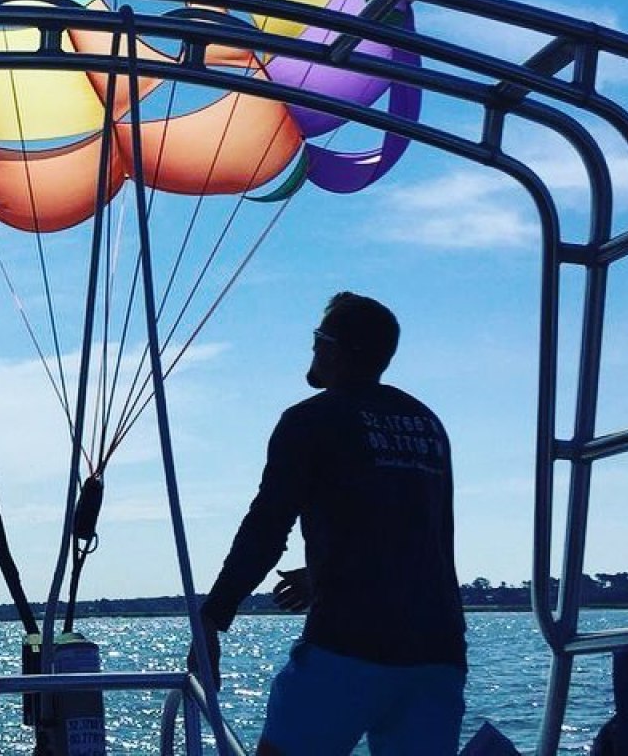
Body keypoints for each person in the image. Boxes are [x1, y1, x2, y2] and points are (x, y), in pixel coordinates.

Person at [193, 291, 466, 756]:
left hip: (349, 649)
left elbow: (266, 528)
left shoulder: (309, 421)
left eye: (319, 338)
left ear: (337, 350)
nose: (314, 348)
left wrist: (213, 617)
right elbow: (414, 536)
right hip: (438, 654)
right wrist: (322, 575)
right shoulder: (426, 423)